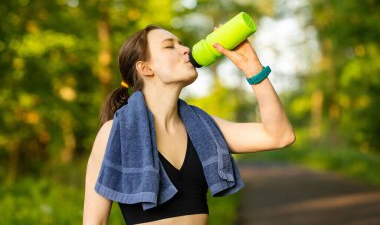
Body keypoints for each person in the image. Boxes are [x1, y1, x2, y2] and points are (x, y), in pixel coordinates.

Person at [83, 24, 295, 225]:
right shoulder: (114, 133)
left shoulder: (204, 128)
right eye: (169, 46)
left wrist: (253, 68)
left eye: (181, 43)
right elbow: (95, 221)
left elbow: (280, 136)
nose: (185, 49)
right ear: (145, 68)